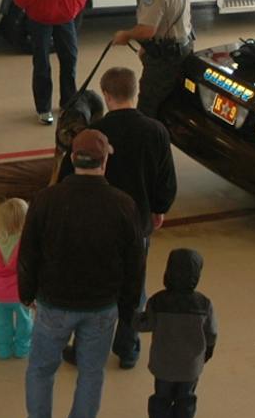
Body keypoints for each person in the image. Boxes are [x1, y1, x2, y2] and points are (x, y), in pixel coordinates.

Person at [12, 129, 145, 418]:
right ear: (105, 162)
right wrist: (128, 309)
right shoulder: (123, 204)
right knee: (91, 372)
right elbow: (135, 265)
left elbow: (28, 253)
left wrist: (27, 293)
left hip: (54, 303)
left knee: (41, 369)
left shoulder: (47, 199)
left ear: (72, 159)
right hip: (102, 307)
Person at [61, 65, 177, 370]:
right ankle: (127, 348)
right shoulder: (156, 131)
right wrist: (159, 209)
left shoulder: (91, 136)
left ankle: (85, 348)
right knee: (133, 288)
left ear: (106, 95)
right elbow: (166, 181)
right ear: (135, 91)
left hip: (94, 224)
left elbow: (66, 179)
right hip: (137, 225)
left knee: (90, 286)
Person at [138, 248, 217, 418]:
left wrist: (134, 315)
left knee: (161, 398)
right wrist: (206, 353)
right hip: (190, 366)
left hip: (163, 364)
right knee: (186, 398)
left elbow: (145, 325)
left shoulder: (157, 301)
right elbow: (211, 333)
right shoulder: (204, 303)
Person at [113, 0, 194, 121]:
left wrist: (126, 35)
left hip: (165, 59)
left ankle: (146, 143)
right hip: (185, 48)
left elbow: (147, 30)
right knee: (171, 101)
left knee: (148, 106)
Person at [0, 197, 32, 360]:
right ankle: (22, 348)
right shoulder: (26, 243)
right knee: (24, 322)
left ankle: (2, 349)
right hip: (21, 294)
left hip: (1, 294)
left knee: (2, 323)